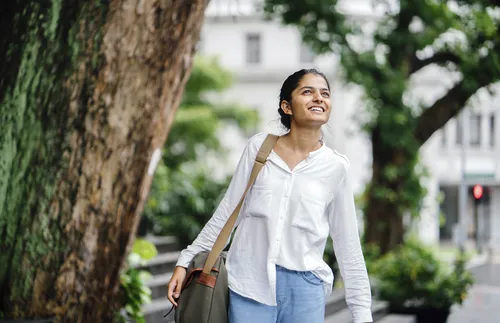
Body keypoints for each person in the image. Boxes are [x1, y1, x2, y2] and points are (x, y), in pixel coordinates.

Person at [167, 69, 373, 323]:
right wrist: (185, 260)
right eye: (307, 91)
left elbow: (348, 244)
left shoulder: (336, 167)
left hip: (306, 290)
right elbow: (227, 212)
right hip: (250, 285)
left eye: (325, 93)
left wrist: (362, 314)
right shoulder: (259, 149)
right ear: (286, 106)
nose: (319, 98)